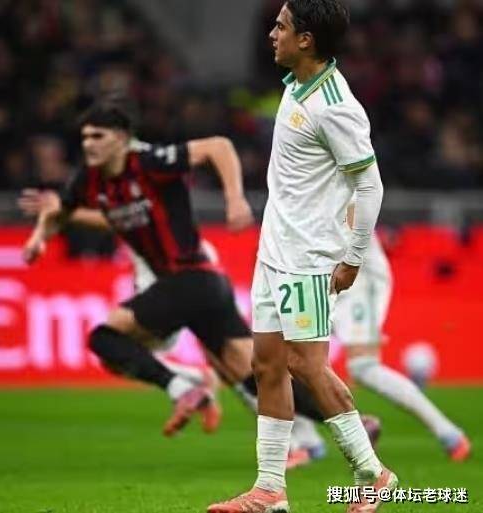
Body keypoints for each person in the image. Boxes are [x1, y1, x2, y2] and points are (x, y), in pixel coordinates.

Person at [20, 99, 330, 436]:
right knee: (254, 379)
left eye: (98, 136)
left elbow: (218, 146)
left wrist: (235, 199)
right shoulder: (88, 180)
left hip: (191, 278)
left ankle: (183, 388)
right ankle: (350, 422)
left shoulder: (149, 162)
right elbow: (61, 211)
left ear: (121, 138)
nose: (88, 144)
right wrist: (39, 238)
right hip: (198, 286)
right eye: (85, 137)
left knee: (104, 338)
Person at [208, 2, 395, 512]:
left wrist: (353, 257)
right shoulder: (296, 85)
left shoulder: (336, 106)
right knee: (267, 364)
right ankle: (270, 489)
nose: (272, 34)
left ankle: (372, 473)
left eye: (282, 26)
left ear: (306, 39)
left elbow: (371, 185)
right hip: (273, 251)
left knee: (306, 365)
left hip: (309, 257)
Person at [335, 212, 470, 461]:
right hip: (319, 272)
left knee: (363, 367)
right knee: (287, 359)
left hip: (356, 275)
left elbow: (351, 211)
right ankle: (305, 441)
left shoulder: (340, 187)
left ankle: (448, 433)